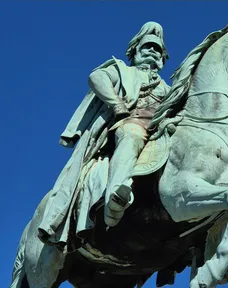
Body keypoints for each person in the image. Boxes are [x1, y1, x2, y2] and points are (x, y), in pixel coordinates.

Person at [38, 23, 171, 247]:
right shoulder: (122, 70)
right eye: (147, 47)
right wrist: (116, 104)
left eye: (157, 49)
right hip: (128, 123)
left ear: (161, 58)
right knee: (132, 136)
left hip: (160, 132)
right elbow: (96, 77)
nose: (152, 51)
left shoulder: (167, 88)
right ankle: (114, 199)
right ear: (136, 51)